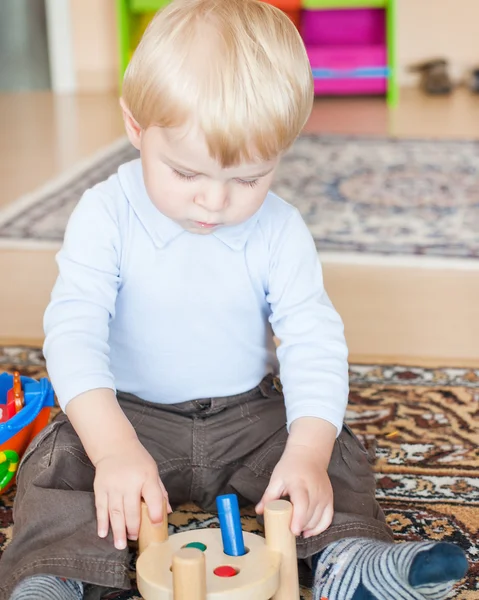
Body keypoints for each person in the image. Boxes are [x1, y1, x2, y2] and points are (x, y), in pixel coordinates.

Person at [0, 1, 467, 599]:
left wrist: (307, 451)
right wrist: (113, 446)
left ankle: (350, 559)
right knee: (59, 462)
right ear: (136, 128)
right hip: (131, 414)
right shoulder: (104, 213)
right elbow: (73, 331)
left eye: (248, 179)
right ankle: (54, 575)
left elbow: (313, 340)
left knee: (335, 452)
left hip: (248, 417)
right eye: (186, 173)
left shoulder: (280, 228)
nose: (215, 203)